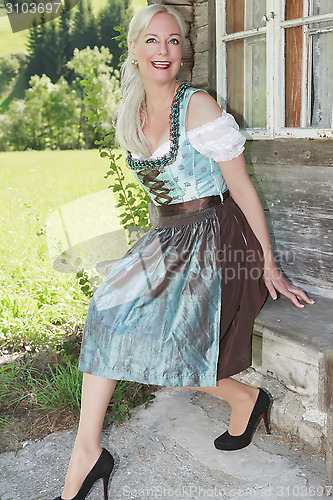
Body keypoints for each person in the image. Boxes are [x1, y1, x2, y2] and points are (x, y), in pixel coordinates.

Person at [53, 4, 315, 500]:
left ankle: (239, 400)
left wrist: (268, 264)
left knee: (163, 334)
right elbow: (162, 197)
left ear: (183, 51)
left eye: (173, 41)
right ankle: (239, 399)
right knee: (107, 311)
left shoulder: (198, 106)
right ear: (134, 50)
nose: (163, 50)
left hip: (217, 236)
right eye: (152, 40)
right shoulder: (131, 110)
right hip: (171, 237)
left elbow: (240, 189)